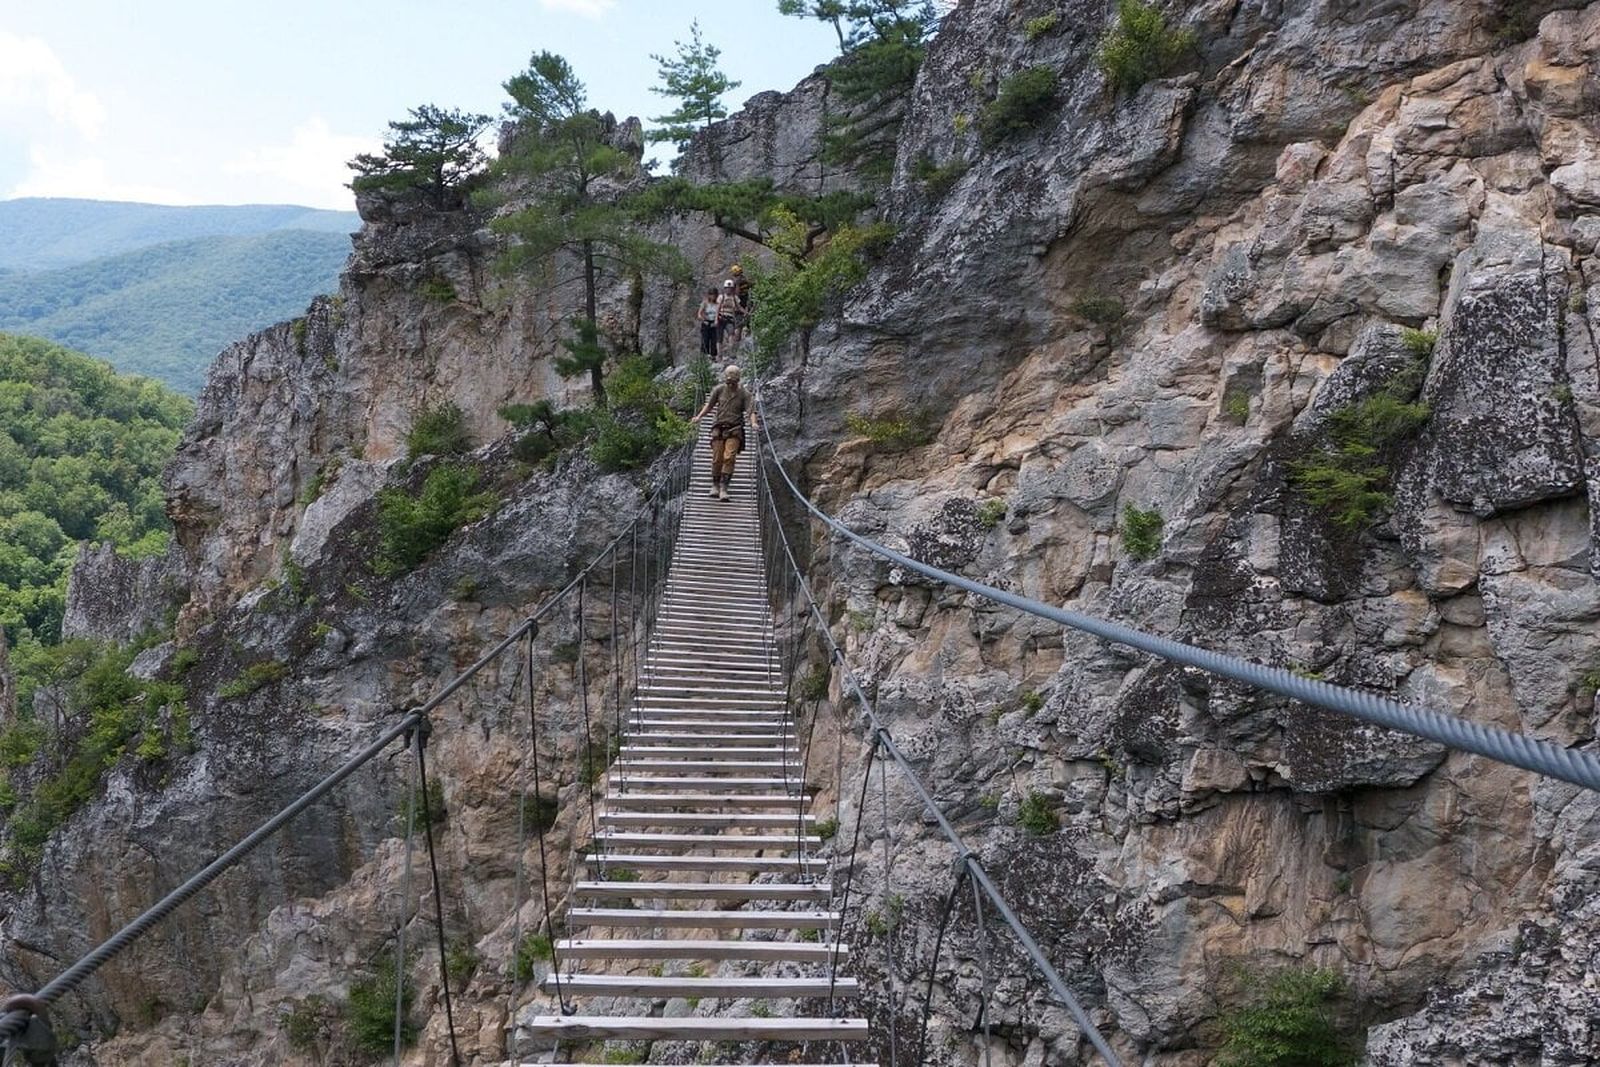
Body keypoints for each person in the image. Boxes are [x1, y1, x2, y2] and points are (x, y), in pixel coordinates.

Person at [692, 364, 759, 501]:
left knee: (729, 457)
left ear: (737, 380)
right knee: (717, 458)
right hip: (719, 427)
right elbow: (709, 406)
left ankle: (724, 488)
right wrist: (699, 416)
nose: (729, 384)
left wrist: (753, 423)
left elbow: (751, 410)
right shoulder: (719, 390)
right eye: (728, 381)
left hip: (735, 429)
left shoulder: (745, 394)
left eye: (732, 382)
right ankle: (715, 485)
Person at [717, 279, 743, 349]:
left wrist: (746, 312)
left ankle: (731, 350)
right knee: (719, 338)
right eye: (727, 288)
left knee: (731, 334)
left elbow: (739, 307)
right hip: (721, 318)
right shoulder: (721, 297)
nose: (728, 290)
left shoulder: (735, 298)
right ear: (725, 289)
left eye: (730, 288)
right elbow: (718, 308)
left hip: (730, 319)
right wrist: (716, 319)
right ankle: (719, 355)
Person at [697, 287, 720, 357]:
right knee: (705, 339)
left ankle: (713, 355)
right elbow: (699, 314)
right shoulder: (705, 303)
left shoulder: (718, 304)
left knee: (714, 340)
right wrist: (703, 320)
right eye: (712, 294)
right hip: (706, 322)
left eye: (715, 295)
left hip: (714, 323)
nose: (713, 296)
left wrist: (716, 321)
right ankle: (704, 356)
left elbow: (718, 314)